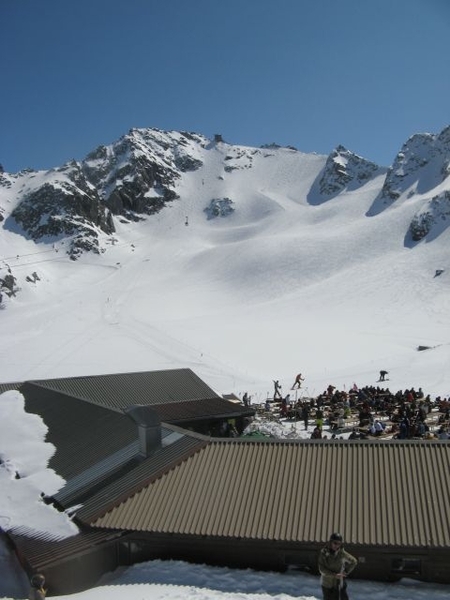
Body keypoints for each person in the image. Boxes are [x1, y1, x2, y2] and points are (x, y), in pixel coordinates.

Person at [318, 532, 357, 600]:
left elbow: (354, 561)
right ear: (330, 542)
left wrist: (346, 571)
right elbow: (321, 569)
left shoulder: (342, 553)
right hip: (326, 583)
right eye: (335, 543)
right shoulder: (323, 553)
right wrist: (334, 575)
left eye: (339, 543)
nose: (337, 545)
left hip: (337, 583)